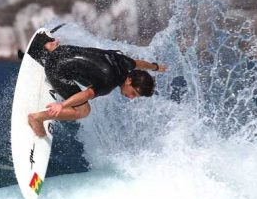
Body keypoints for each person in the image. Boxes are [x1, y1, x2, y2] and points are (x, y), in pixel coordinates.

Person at [26, 32, 167, 137]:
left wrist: (155, 67)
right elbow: (86, 94)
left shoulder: (125, 62)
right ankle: (37, 118)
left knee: (87, 71)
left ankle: (49, 46)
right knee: (84, 111)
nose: (131, 97)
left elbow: (139, 63)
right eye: (134, 93)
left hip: (62, 50)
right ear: (129, 80)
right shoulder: (109, 82)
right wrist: (61, 105)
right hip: (55, 68)